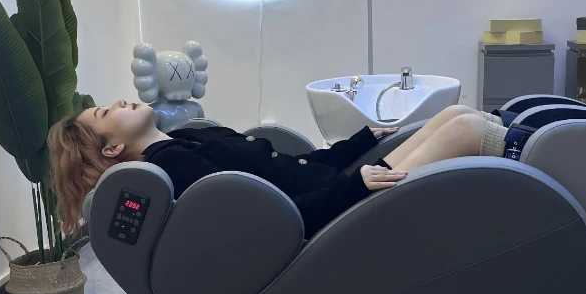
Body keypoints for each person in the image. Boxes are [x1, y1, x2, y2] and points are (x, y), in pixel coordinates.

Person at [48, 102, 511, 239]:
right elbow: (270, 217)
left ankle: (524, 142)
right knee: (465, 129)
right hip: (339, 212)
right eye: (106, 112)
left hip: (339, 188)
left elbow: (289, 169)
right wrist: (354, 187)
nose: (119, 101)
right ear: (113, 147)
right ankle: (536, 168)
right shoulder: (173, 166)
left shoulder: (186, 138)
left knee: (454, 115)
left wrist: (358, 143)